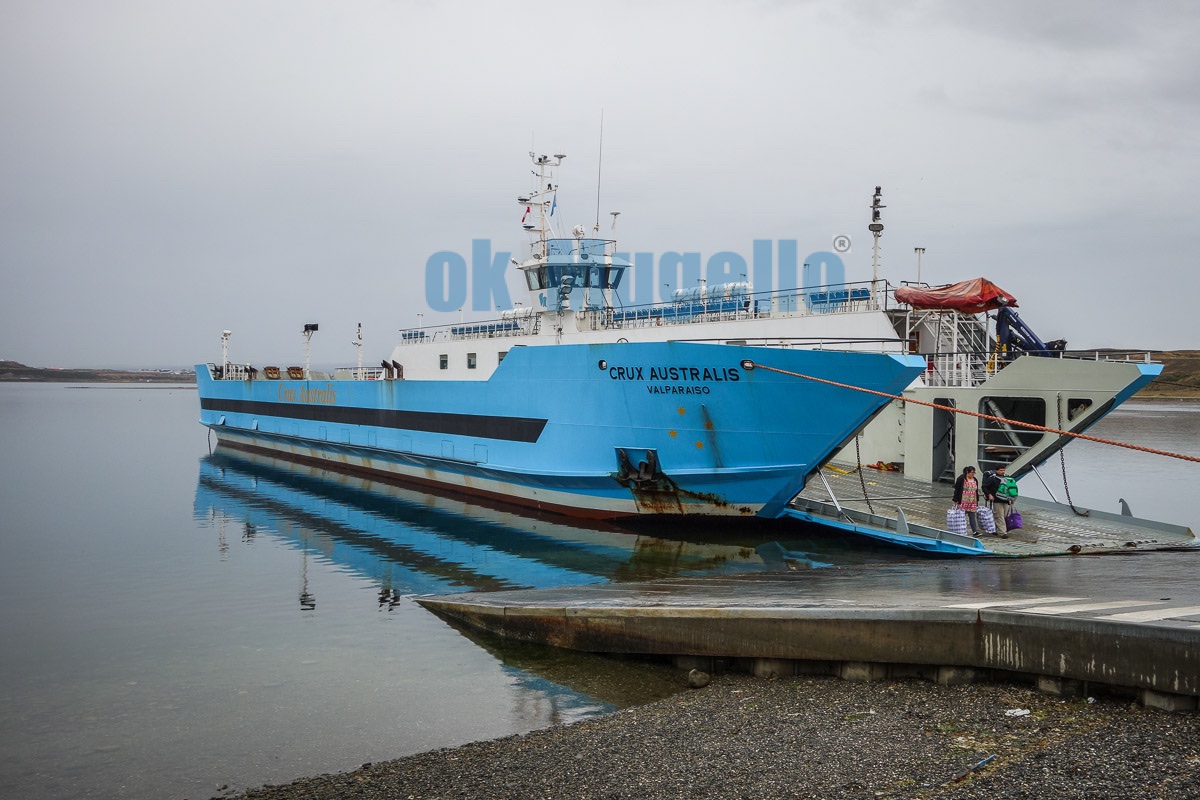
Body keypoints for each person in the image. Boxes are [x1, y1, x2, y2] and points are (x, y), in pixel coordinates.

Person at [982, 465, 1016, 537]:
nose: (1002, 472)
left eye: (1003, 470)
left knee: (1004, 516)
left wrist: (1012, 498)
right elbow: (984, 486)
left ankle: (994, 529)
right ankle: (1003, 533)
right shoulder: (992, 478)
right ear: (996, 470)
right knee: (999, 516)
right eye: (1001, 470)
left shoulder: (1007, 478)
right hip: (996, 500)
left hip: (1006, 500)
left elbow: (1011, 489)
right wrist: (989, 495)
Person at [952, 466, 982, 535]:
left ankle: (975, 531)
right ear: (967, 472)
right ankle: (959, 530)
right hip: (963, 500)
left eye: (974, 473)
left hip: (972, 501)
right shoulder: (961, 479)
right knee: (961, 516)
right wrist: (955, 499)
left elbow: (976, 491)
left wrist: (977, 500)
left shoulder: (975, 479)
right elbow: (957, 489)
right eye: (972, 472)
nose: (973, 474)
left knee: (972, 516)